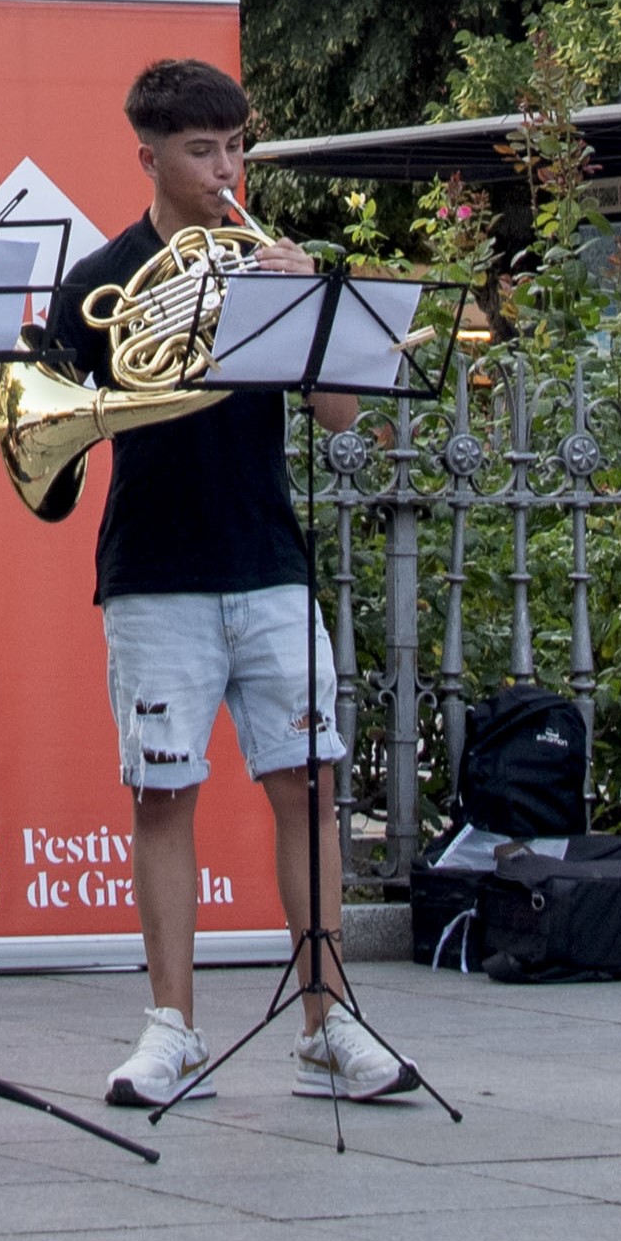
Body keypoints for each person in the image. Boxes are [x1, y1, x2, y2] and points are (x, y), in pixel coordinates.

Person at [53, 58, 415, 1110]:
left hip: (268, 561)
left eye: (235, 147)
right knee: (163, 795)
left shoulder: (265, 263)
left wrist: (309, 307)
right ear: (150, 156)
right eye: (202, 150)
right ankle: (171, 1026)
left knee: (307, 787)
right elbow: (49, 424)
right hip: (154, 565)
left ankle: (326, 1020)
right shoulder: (102, 277)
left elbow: (342, 417)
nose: (225, 171)